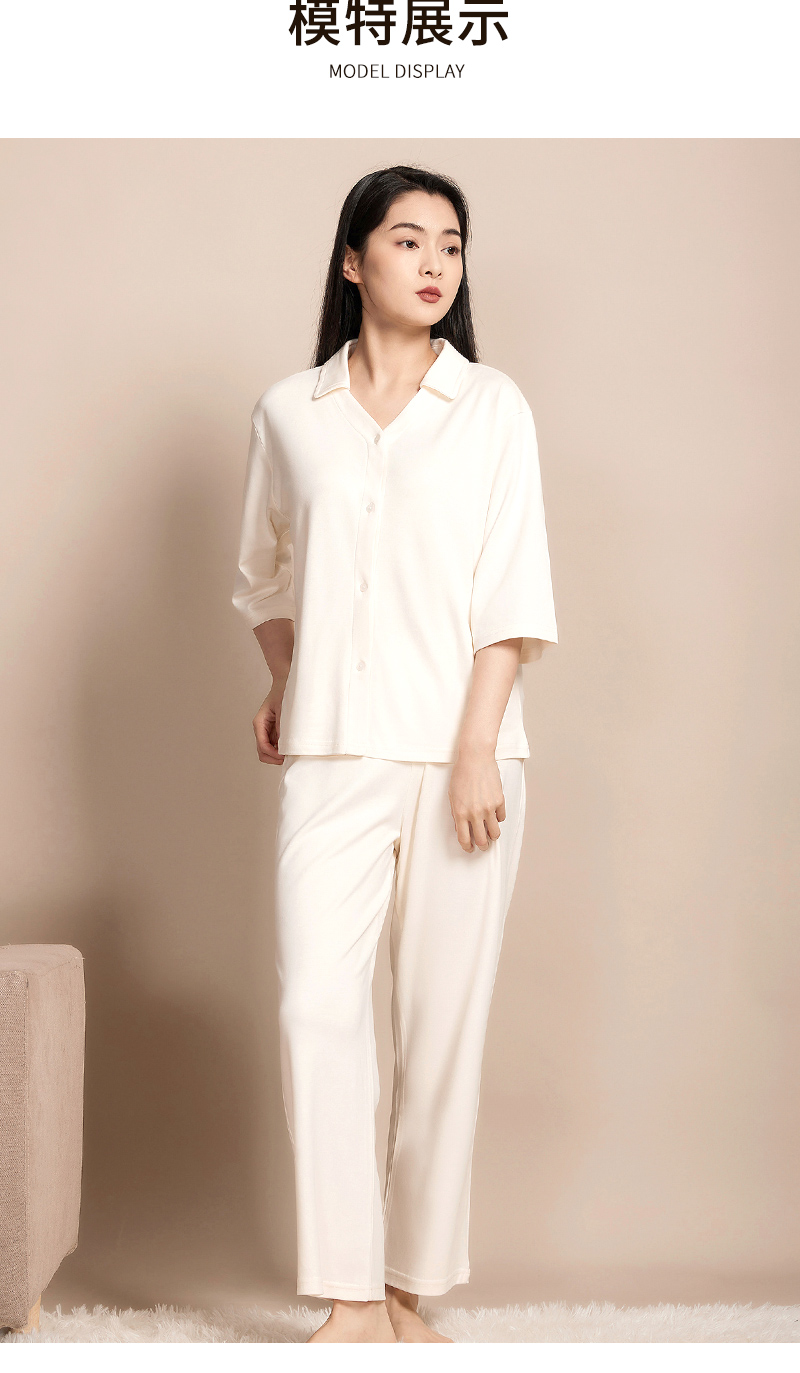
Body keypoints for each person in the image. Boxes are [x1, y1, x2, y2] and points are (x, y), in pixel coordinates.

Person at [232, 165, 558, 1342]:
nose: (433, 263)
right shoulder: (289, 409)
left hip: (461, 753)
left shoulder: (491, 406)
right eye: (408, 238)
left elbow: (512, 588)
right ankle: (350, 1295)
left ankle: (409, 1289)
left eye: (450, 245)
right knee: (315, 1008)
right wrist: (287, 678)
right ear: (351, 258)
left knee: (439, 1025)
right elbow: (264, 575)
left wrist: (475, 745)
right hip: (329, 752)